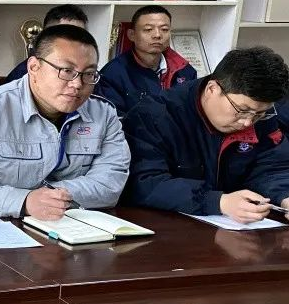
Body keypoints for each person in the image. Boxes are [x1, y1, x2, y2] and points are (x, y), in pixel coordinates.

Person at [0, 25, 130, 219]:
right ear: (34, 67)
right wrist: (24, 201)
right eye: (67, 71)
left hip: (66, 226)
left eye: (88, 74)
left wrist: (50, 197)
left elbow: (110, 183)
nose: (77, 84)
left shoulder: (104, 114)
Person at [123, 47, 289, 223]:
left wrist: (285, 196)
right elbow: (145, 183)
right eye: (242, 110)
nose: (248, 122)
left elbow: (273, 166)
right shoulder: (154, 116)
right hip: (165, 227)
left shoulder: (261, 117)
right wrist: (218, 202)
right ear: (212, 89)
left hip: (237, 229)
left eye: (260, 114)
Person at [97, 5, 196, 115]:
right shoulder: (112, 74)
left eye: (164, 29)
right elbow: (113, 120)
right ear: (132, 35)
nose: (157, 35)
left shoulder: (185, 70)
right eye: (148, 30)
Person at [3, 4, 88, 83]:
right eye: (68, 36)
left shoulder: (89, 73)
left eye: (80, 36)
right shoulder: (20, 77)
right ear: (46, 36)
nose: (76, 42)